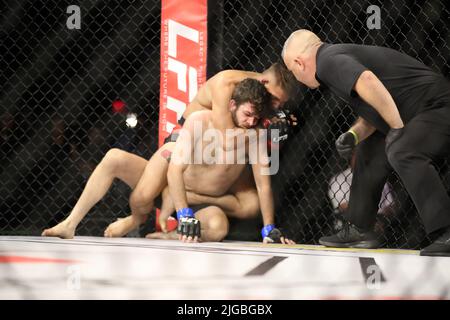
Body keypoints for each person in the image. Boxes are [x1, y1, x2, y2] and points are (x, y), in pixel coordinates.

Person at [42, 79, 294, 244]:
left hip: (202, 203)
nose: (251, 121)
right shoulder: (200, 121)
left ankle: (170, 235)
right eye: (247, 114)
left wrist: (269, 229)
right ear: (231, 105)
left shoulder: (256, 136)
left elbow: (263, 185)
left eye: (256, 117)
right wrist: (183, 213)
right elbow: (174, 169)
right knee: (113, 157)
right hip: (171, 190)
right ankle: (69, 223)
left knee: (218, 227)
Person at [282, 29, 450, 256]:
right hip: (422, 111)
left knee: (403, 149)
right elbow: (374, 105)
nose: (296, 79)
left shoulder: (327, 60)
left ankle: (446, 231)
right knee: (369, 150)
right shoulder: (335, 58)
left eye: (293, 72)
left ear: (298, 63)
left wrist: (397, 128)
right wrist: (353, 135)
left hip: (438, 107)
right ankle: (358, 229)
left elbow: (367, 81)